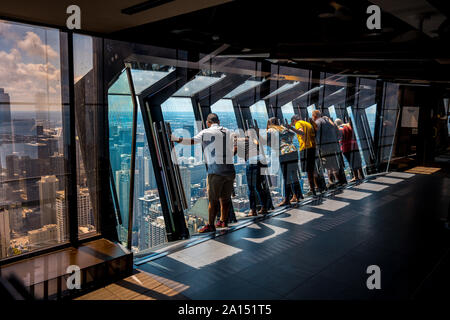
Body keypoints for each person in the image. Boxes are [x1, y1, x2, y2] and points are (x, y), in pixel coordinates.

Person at [172, 113, 236, 233]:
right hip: (230, 171)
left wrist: (176, 139)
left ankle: (211, 225)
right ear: (219, 121)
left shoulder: (206, 132)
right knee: (226, 199)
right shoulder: (228, 131)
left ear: (208, 122)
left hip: (216, 172)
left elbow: (191, 141)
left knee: (213, 200)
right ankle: (223, 221)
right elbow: (235, 146)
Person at [265, 117, 303, 206]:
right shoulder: (284, 128)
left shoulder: (271, 129)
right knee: (294, 175)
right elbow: (292, 134)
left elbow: (264, 141)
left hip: (284, 153)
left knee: (286, 177)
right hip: (293, 151)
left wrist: (273, 145)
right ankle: (297, 197)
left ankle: (287, 199)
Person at [236, 130, 269, 216]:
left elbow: (237, 154)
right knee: (259, 186)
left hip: (252, 161)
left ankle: (253, 210)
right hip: (261, 161)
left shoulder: (240, 141)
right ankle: (264, 208)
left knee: (251, 187)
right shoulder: (255, 141)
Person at [286, 114, 319, 196]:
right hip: (313, 147)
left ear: (294, 120)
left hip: (305, 148)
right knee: (313, 168)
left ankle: (312, 189)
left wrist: (291, 128)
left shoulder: (298, 123)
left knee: (308, 170)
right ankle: (317, 186)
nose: (294, 125)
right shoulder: (307, 124)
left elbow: (301, 132)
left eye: (293, 123)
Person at [312, 109, 342, 188]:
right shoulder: (329, 121)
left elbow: (313, 136)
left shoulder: (316, 123)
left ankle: (331, 181)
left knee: (327, 164)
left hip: (323, 148)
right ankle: (338, 180)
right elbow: (338, 133)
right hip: (333, 146)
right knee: (334, 163)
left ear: (314, 116)